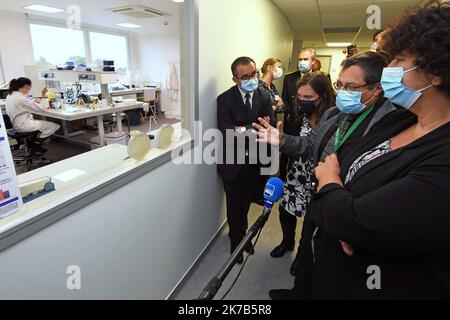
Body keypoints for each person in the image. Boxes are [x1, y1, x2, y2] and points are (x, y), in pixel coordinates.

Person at [310, 0, 450, 299]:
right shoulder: (403, 118)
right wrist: (344, 214)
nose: (389, 68)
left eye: (399, 59)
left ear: (436, 70)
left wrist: (342, 209)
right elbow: (342, 162)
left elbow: (354, 220)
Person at [252, 51, 401, 300]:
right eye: (340, 85)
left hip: (348, 202)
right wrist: (283, 140)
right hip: (319, 193)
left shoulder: (389, 121)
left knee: (331, 260)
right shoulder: (334, 115)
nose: (343, 92)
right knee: (309, 243)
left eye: (351, 86)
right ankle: (298, 292)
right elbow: (310, 146)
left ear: (377, 89)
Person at [270, 72, 335, 268]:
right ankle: (287, 242)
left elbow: (314, 147)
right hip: (295, 174)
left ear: (323, 97)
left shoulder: (333, 118)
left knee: (310, 223)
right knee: (285, 211)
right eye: (299, 96)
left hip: (317, 179)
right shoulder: (298, 115)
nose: (302, 101)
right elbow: (292, 143)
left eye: (308, 97)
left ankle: (302, 253)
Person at [217, 57, 276, 264]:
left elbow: (271, 126)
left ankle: (243, 237)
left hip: (255, 162)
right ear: (235, 79)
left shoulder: (264, 95)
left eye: (254, 74)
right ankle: (236, 241)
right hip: (232, 163)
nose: (251, 79)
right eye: (245, 77)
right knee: (234, 205)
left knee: (246, 202)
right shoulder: (225, 100)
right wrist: (253, 127)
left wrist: (241, 128)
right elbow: (226, 132)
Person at [6, 78, 60, 152]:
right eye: (29, 88)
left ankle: (30, 143)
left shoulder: (10, 96)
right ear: (26, 86)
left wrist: (33, 101)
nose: (29, 90)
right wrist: (43, 95)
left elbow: (25, 103)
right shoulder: (20, 98)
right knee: (54, 126)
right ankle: (35, 145)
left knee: (42, 125)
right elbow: (41, 108)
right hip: (23, 125)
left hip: (17, 124)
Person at [282, 48, 316, 112]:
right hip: (292, 118)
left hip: (313, 118)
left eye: (305, 59)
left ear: (313, 61)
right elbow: (285, 100)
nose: (302, 62)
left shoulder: (320, 78)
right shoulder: (288, 78)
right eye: (300, 59)